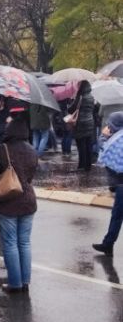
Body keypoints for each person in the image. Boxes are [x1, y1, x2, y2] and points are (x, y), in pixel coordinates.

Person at [0, 112, 38, 293]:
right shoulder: (32, 149)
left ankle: (15, 283)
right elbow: (31, 175)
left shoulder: (3, 149)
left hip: (8, 201)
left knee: (10, 243)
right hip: (28, 200)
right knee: (24, 242)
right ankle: (25, 281)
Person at [92, 112, 123, 256]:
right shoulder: (117, 140)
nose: (108, 127)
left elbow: (102, 151)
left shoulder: (118, 142)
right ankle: (107, 244)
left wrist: (103, 137)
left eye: (110, 124)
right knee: (117, 215)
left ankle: (108, 244)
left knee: (117, 215)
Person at [70, 80, 96, 171]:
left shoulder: (80, 97)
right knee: (88, 144)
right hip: (90, 122)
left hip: (80, 124)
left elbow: (71, 109)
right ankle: (88, 165)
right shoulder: (91, 97)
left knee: (81, 145)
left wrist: (71, 102)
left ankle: (81, 165)